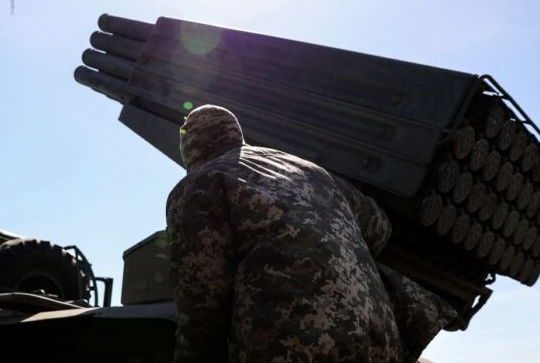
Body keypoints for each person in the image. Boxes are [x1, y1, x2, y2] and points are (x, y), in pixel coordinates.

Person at [166, 104, 455, 363]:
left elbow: (201, 297)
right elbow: (379, 227)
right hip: (381, 337)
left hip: (295, 342)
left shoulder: (200, 183)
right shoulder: (309, 170)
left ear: (190, 148)